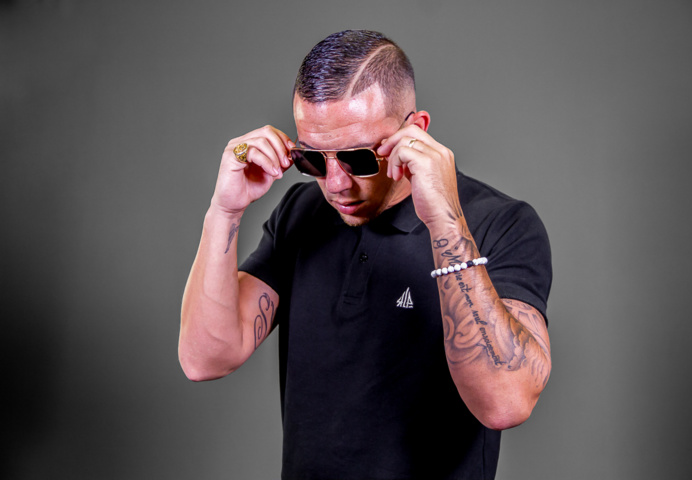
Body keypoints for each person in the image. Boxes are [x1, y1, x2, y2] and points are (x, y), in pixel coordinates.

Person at [179, 30, 552, 480]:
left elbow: (506, 403)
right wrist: (224, 210)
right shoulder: (301, 212)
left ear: (416, 131)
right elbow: (205, 359)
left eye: (358, 158)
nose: (336, 184)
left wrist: (445, 222)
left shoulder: (499, 223)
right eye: (314, 159)